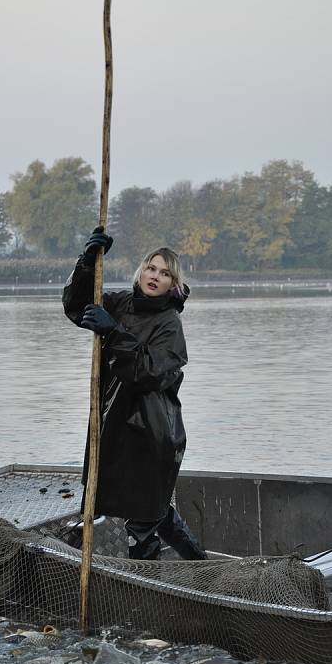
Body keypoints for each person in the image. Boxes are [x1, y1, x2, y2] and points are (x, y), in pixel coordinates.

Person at [62, 226, 207, 561]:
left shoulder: (170, 324)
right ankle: (198, 564)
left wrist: (113, 332)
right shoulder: (118, 303)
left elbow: (148, 373)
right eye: (151, 268)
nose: (155, 276)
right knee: (147, 510)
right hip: (111, 426)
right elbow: (75, 306)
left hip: (151, 431)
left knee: (145, 518)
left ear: (174, 283)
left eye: (165, 273)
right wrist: (88, 261)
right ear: (141, 270)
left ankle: (161, 578)